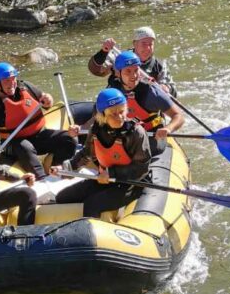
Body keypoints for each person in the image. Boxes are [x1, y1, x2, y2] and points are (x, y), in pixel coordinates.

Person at [51, 88, 155, 219]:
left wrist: (111, 173)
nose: (120, 117)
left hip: (132, 183)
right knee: (63, 197)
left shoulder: (136, 132)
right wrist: (65, 168)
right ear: (102, 115)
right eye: (113, 114)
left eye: (122, 111)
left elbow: (142, 168)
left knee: (92, 204)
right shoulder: (96, 129)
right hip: (106, 179)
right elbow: (86, 153)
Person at [0, 62, 79, 180]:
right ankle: (42, 179)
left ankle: (57, 169)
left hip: (38, 136)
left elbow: (47, 103)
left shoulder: (26, 87)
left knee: (69, 138)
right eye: (6, 81)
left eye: (13, 79)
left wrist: (48, 100)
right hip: (14, 145)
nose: (12, 83)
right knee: (25, 147)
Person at [110, 50, 184, 155]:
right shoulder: (113, 89)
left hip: (151, 136)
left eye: (136, 70)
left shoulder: (152, 92)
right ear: (118, 73)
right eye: (128, 71)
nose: (133, 75)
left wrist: (168, 128)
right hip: (126, 133)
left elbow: (178, 116)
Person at [88, 25, 177, 96]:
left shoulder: (159, 65)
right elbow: (96, 70)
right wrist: (104, 52)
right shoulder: (119, 57)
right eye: (144, 44)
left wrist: (166, 88)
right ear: (135, 44)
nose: (148, 48)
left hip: (142, 106)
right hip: (117, 102)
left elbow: (173, 91)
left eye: (151, 44)